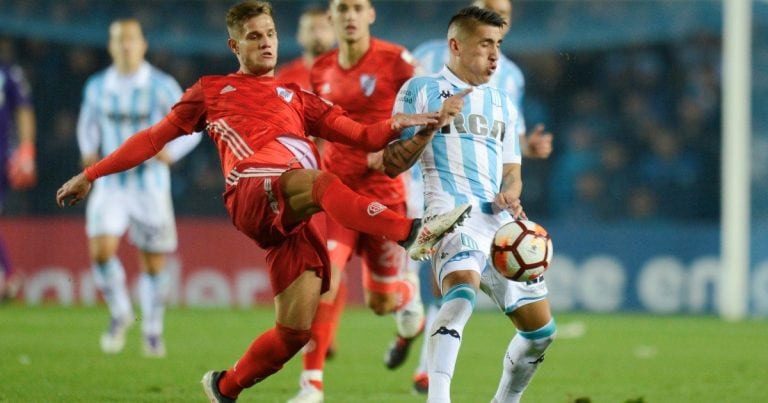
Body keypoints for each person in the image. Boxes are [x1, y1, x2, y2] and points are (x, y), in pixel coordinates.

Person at [55, 2, 471, 402]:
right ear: (235, 46)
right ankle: (411, 232)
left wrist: (410, 122)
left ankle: (225, 386)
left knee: (294, 333)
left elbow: (363, 136)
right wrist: (90, 175)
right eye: (254, 37)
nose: (266, 43)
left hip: (287, 211)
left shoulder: (298, 97)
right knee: (323, 181)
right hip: (252, 189)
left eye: (270, 34)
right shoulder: (213, 90)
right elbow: (152, 139)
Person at [382, 6, 556, 403]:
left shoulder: (502, 104)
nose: (494, 55)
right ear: (456, 45)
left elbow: (513, 171)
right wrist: (430, 126)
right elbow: (392, 163)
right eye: (484, 45)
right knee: (460, 297)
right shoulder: (420, 89)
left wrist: (512, 191)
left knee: (541, 334)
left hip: (499, 224)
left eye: (498, 44)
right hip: (449, 218)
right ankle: (438, 397)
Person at [288, 1, 424, 401]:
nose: (349, 15)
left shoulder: (397, 61)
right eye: (341, 8)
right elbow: (314, 129)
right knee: (323, 280)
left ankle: (406, 298)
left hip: (385, 197)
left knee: (381, 303)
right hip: (337, 195)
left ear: (371, 15)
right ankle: (311, 387)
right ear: (331, 19)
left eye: (357, 7)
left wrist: (402, 149)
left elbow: (428, 116)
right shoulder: (321, 69)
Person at [76, 19, 203, 357]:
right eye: (119, 40)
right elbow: (87, 123)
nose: (126, 46)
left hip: (150, 187)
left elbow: (194, 126)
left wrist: (170, 153)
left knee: (152, 265)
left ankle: (151, 330)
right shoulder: (97, 86)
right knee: (100, 252)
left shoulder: (161, 86)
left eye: (131, 39)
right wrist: (88, 150)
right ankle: (119, 313)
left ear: (143, 45)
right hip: (111, 184)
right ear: (111, 46)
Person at [0, 49, 37, 302]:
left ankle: (10, 274)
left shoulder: (7, 73)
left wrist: (26, 151)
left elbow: (24, 109)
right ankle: (9, 274)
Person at [275, 6, 336, 91]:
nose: (317, 35)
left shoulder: (347, 74)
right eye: (311, 29)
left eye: (323, 28)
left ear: (334, 34)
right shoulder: (284, 77)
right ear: (299, 36)